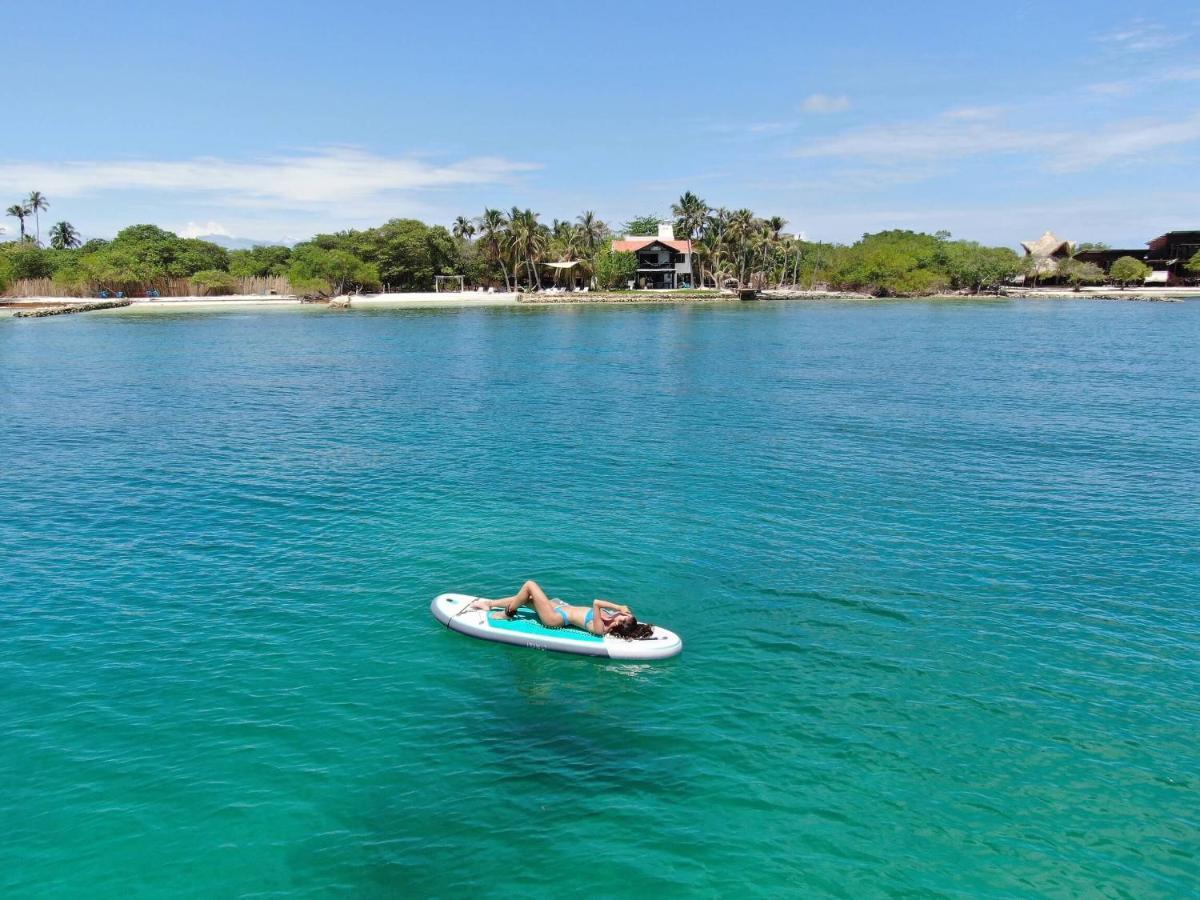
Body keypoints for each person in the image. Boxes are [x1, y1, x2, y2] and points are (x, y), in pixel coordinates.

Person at [470, 580, 652, 639]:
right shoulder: (613, 619)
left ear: (620, 623)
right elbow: (624, 617)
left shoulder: (601, 627)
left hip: (555, 619)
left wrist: (617, 606)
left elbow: (596, 602)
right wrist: (626, 614)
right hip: (562, 609)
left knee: (530, 585)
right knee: (527, 598)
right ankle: (490, 604)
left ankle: (505, 614)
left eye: (622, 617)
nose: (620, 614)